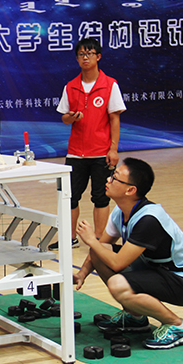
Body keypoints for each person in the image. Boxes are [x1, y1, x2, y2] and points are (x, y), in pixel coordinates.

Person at [74, 158, 183, 349]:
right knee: (100, 250)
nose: (108, 180)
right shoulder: (121, 211)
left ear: (130, 190)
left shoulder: (149, 219)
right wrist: (82, 273)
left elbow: (117, 263)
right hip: (156, 270)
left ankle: (177, 325)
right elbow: (101, 249)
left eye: (114, 177)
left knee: (118, 284)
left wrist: (91, 240)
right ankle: (135, 316)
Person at [48, 38, 126, 251]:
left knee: (100, 197)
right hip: (76, 153)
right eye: (81, 54)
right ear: (76, 58)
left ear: (98, 57)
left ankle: (99, 241)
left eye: (89, 54)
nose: (85, 58)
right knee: (70, 197)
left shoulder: (110, 85)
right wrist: (71, 117)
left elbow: (115, 119)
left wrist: (113, 149)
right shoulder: (71, 86)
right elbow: (64, 118)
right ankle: (70, 237)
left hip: (101, 153)